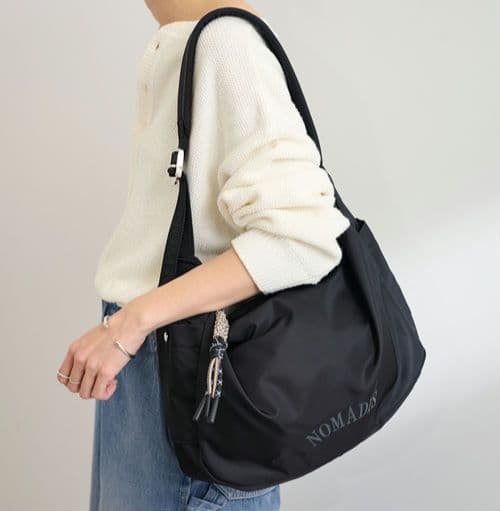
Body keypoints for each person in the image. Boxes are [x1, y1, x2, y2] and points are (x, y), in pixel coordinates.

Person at [56, 0, 351, 509]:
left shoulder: (227, 45)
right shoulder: (189, 43)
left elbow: (302, 236)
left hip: (187, 374)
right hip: (156, 367)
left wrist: (133, 322)